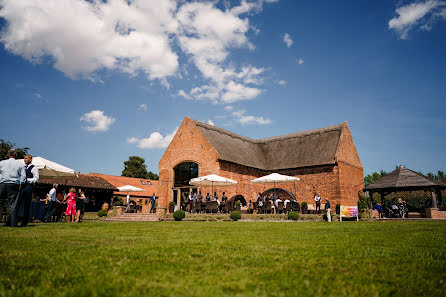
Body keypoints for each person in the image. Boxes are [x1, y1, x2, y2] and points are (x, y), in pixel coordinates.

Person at [0, 149, 26, 227]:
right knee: (13, 205)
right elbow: (23, 176)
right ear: (16, 155)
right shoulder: (20, 164)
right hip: (13, 184)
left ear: (7, 155)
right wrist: (21, 183)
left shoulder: (1, 163)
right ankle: (13, 224)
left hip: (2, 184)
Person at [16, 155, 39, 227]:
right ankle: (14, 220)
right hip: (22, 187)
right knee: (17, 204)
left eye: (26, 158)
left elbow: (36, 178)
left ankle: (24, 222)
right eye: (24, 158)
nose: (24, 160)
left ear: (30, 159)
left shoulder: (34, 168)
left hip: (28, 187)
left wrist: (27, 180)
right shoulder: (23, 168)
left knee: (26, 205)